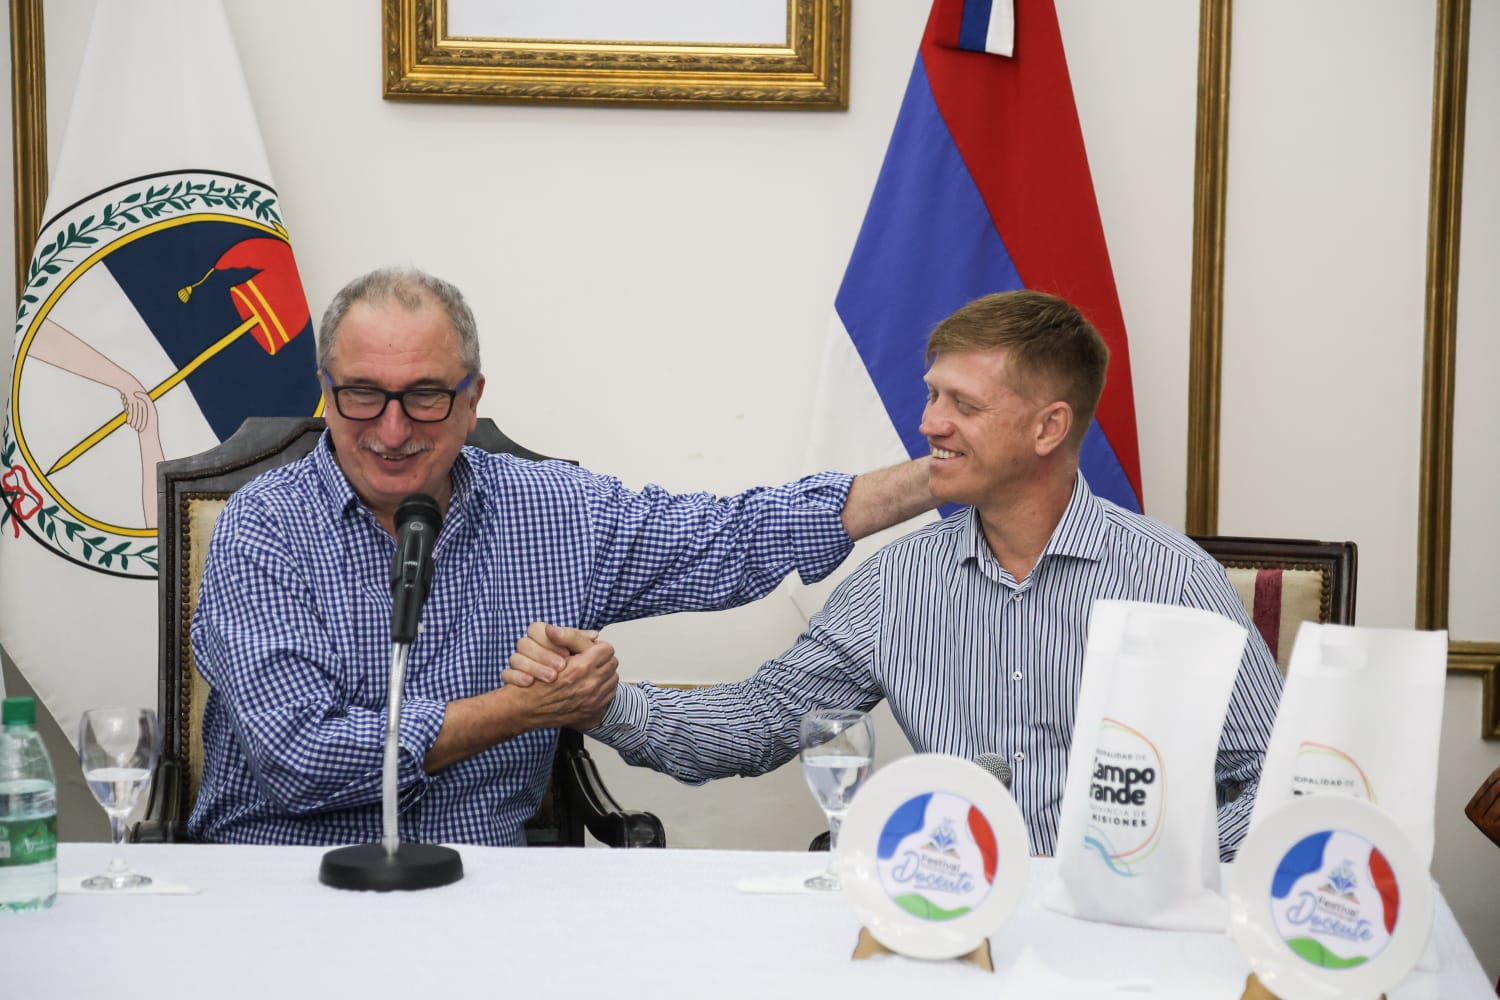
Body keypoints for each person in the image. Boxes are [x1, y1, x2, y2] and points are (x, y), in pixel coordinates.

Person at [509, 289, 1284, 859]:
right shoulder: (900, 582)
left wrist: (1170, 875)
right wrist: (606, 704)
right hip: (951, 923)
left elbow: (1273, 777)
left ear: (1050, 426)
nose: (929, 424)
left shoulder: (1172, 579)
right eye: (931, 396)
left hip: (1129, 942)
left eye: (963, 405)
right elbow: (761, 721)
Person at [188, 266, 935, 846]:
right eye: (361, 395)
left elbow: (730, 538)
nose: (390, 430)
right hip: (282, 878)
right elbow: (298, 757)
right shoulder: (262, 526)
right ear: (325, 391)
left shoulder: (553, 511)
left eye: (423, 396)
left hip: (485, 895)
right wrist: (517, 711)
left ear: (472, 395)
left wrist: (936, 477)